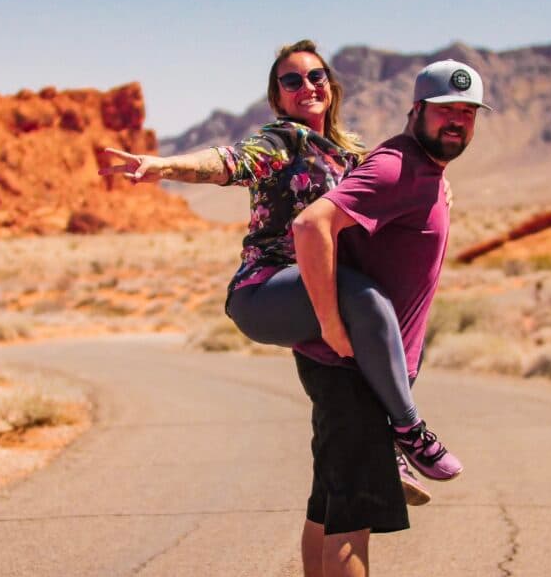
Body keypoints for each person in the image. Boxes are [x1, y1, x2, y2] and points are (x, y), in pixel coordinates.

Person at [98, 40, 463, 506]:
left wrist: (437, 184)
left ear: (330, 85)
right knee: (362, 296)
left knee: (393, 322)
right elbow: (231, 161)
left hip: (315, 291)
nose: (306, 86)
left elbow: (398, 182)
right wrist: (166, 164)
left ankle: (385, 443)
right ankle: (410, 431)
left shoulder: (351, 155)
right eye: (291, 81)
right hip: (265, 291)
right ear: (278, 96)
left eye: (316, 76)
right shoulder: (282, 140)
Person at [290, 59, 492, 577]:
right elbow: (311, 225)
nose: (455, 121)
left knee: (328, 499)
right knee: (353, 514)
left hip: (356, 366)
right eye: (444, 110)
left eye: (465, 114)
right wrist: (328, 319)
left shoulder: (425, 172)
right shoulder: (398, 166)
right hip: (352, 371)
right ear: (417, 110)